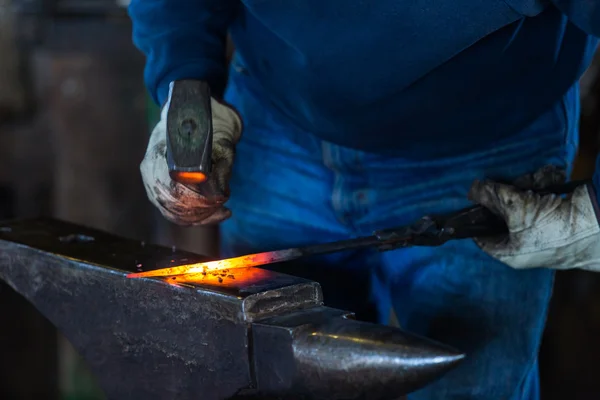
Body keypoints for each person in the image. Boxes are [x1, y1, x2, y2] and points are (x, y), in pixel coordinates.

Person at [128, 1, 600, 399]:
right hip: (277, 117)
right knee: (275, 380)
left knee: (472, 379)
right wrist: (184, 75)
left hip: (487, 139)